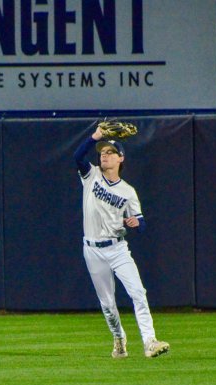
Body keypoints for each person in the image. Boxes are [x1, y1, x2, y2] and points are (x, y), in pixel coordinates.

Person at [73, 125, 170, 359]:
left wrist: (137, 224)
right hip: (93, 250)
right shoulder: (91, 174)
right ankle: (119, 338)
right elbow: (77, 156)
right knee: (107, 304)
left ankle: (149, 341)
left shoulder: (128, 191)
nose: (104, 155)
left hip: (117, 249)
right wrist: (95, 136)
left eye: (110, 152)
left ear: (121, 158)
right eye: (102, 152)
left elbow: (141, 221)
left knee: (138, 292)